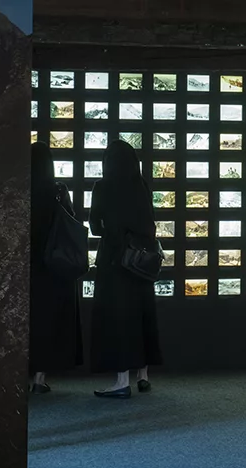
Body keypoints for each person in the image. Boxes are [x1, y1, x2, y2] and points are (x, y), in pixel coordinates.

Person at [88, 140, 162, 399]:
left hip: (114, 262)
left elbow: (95, 226)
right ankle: (143, 375)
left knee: (119, 320)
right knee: (142, 316)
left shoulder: (103, 187)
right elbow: (149, 223)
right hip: (141, 263)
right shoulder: (141, 186)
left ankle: (121, 381)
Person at [31, 141, 83, 394]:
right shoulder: (57, 190)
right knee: (48, 321)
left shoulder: (21, 189)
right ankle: (39, 378)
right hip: (53, 265)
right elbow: (72, 221)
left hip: (28, 268)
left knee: (28, 321)